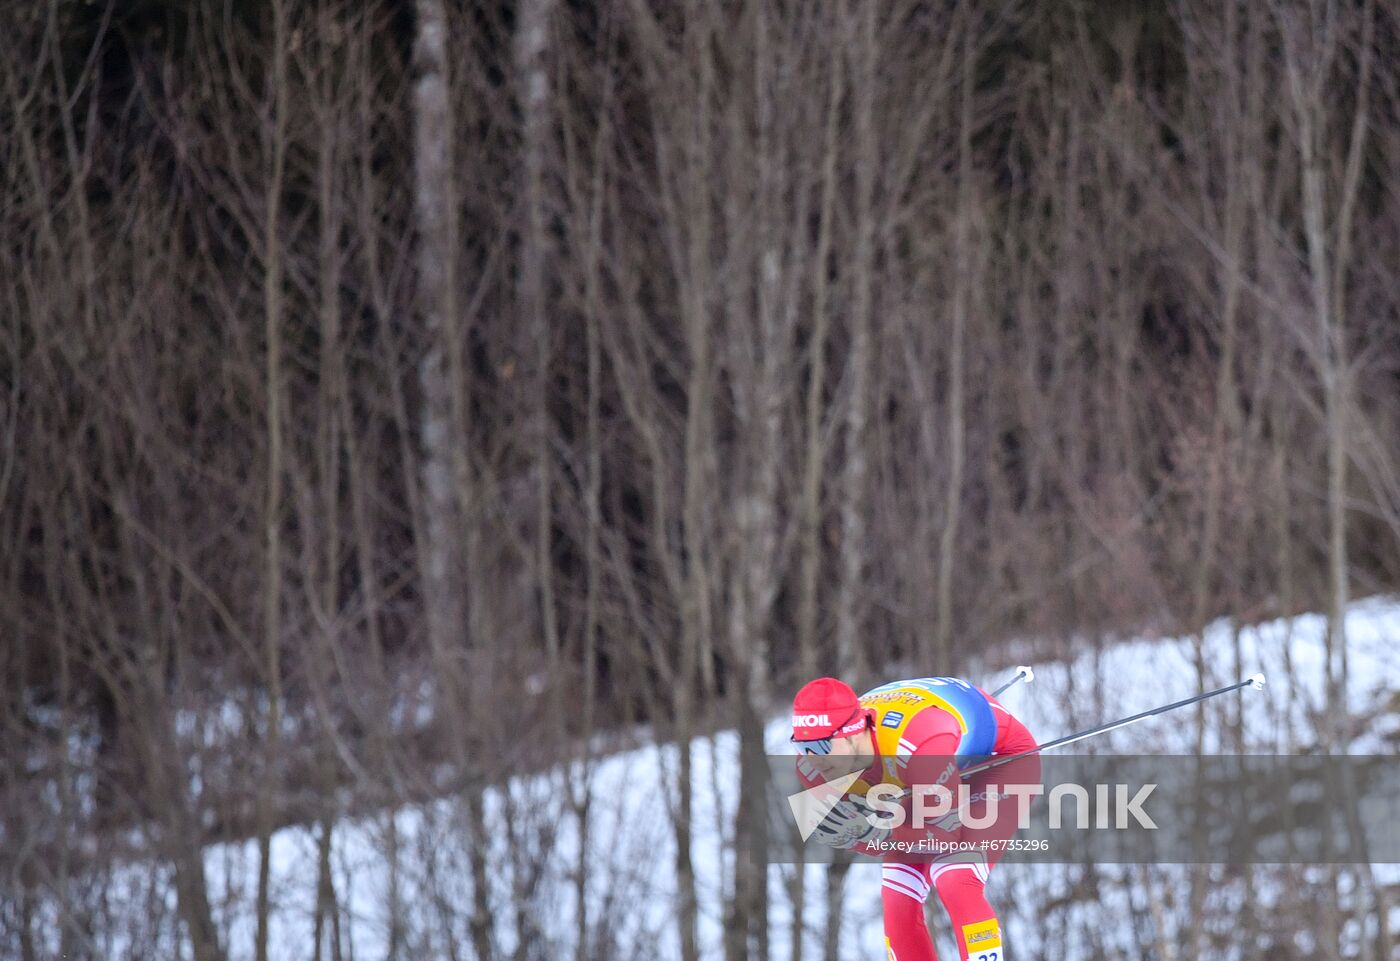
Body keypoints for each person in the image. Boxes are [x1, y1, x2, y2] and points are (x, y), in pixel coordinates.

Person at [790, 676, 1040, 961]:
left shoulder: (917, 741)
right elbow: (864, 837)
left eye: (821, 747)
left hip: (997, 761)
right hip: (918, 782)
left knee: (955, 877)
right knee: (898, 897)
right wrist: (861, 836)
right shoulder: (811, 769)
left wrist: (881, 834)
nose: (812, 759)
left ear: (852, 734)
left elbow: (946, 836)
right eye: (802, 746)